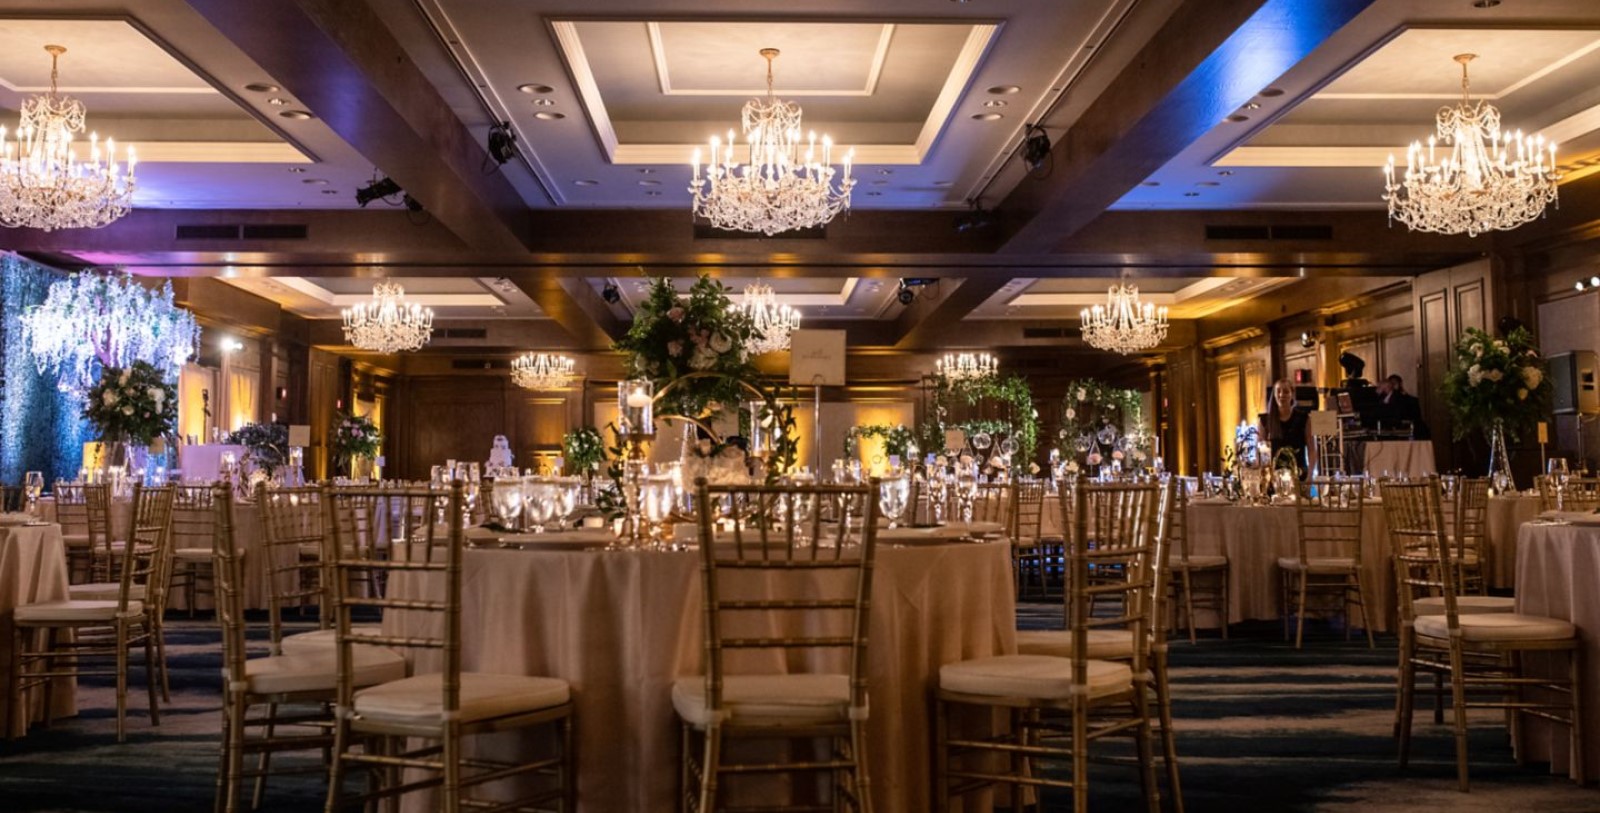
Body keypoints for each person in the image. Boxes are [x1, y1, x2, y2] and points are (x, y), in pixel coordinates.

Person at [1260, 378, 1310, 466]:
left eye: (1286, 392)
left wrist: (1310, 475)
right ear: (1274, 395)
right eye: (1278, 391)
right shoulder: (1265, 420)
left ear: (1292, 394)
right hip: (1274, 474)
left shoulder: (1303, 418)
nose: (1282, 395)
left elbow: (1312, 449)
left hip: (1299, 473)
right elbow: (1261, 452)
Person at [1380, 374, 1431, 440]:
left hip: (1410, 432)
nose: (1392, 387)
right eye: (1390, 385)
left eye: (1394, 384)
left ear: (1400, 384)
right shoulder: (1384, 401)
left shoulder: (1411, 401)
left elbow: (1415, 418)